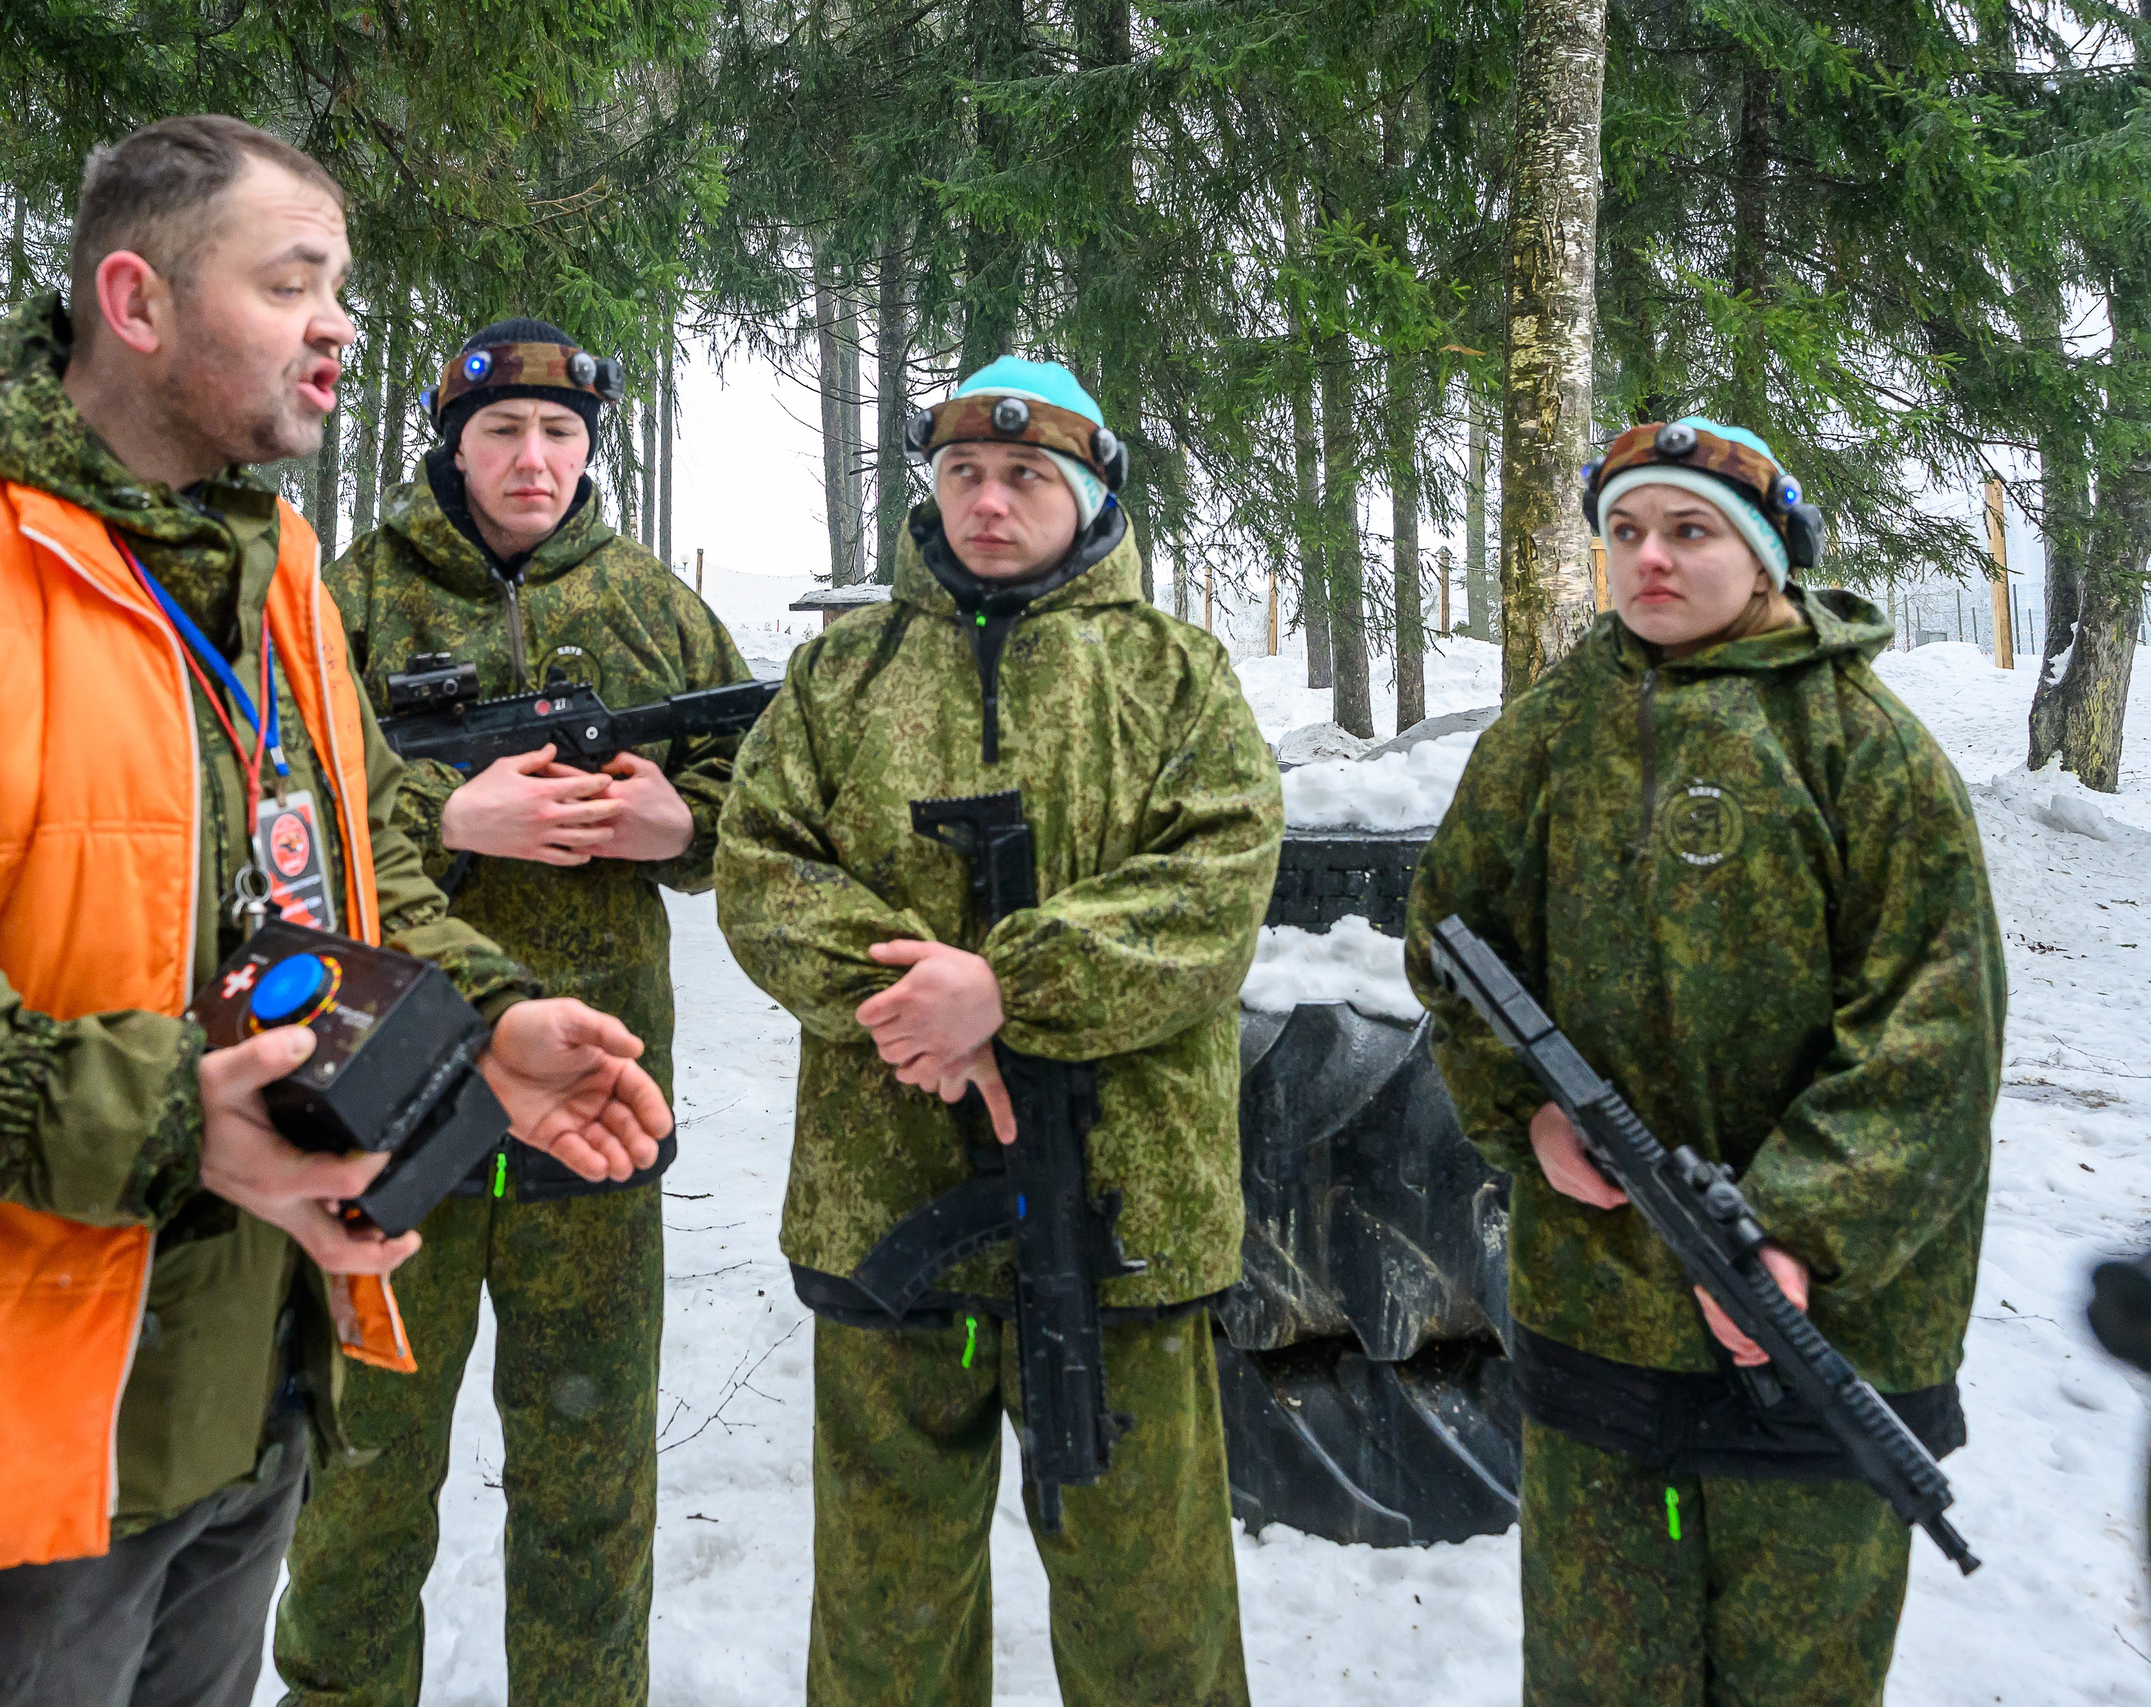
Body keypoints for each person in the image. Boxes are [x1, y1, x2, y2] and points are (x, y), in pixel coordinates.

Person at [0, 114, 671, 1707]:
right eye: (293, 282)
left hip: (233, 1407)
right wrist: (167, 1122)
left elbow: (358, 864)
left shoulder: (270, 579)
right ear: (136, 302)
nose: (339, 324)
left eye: (343, 287)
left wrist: (480, 1030)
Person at [1403, 417, 2006, 1705]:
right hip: (1602, 1327)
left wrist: (1793, 1234)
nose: (1649, 562)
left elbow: (1932, 1035)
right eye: (1625, 533)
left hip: (1825, 1335)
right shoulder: (1548, 738)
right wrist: (1530, 1121)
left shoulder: (1865, 748)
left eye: (1689, 531)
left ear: (1770, 554)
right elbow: (1451, 949)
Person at [714, 357, 1281, 1707]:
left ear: (1088, 496)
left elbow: (1217, 886)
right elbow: (758, 866)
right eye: (963, 473)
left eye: (1026, 476)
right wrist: (916, 1003)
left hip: (1123, 1224)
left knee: (1154, 1622)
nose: (988, 499)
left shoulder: (1175, 674)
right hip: (885, 1212)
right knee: (885, 1622)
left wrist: (1009, 986)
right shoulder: (845, 672)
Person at [275, 317, 751, 1707]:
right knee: (361, 1481)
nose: (533, 460)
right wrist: (451, 814)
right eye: (502, 432)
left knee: (589, 1479)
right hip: (381, 1100)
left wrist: (680, 823)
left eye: (559, 434)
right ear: (453, 445)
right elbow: (282, 808)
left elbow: (765, 796)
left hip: (594, 1105)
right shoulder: (348, 600)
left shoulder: (655, 607)